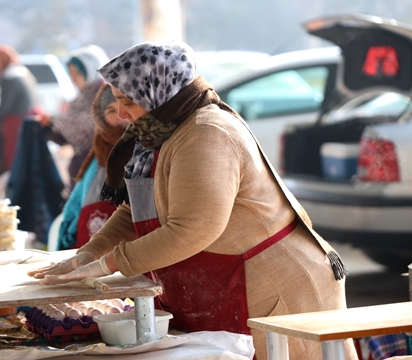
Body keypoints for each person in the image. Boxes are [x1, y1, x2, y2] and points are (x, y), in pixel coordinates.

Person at [29, 41, 358, 360]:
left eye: (128, 100)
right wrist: (87, 253)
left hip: (276, 289)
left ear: (156, 92)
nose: (123, 114)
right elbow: (135, 209)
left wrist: (109, 264)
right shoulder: (159, 131)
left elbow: (192, 229)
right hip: (226, 284)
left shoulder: (207, 132)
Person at [56, 84, 128, 250]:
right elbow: (76, 203)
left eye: (124, 107)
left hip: (127, 252)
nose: (120, 116)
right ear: (101, 117)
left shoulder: (144, 150)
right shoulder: (97, 155)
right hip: (88, 248)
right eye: (111, 111)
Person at [39, 45, 110, 187]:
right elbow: (69, 137)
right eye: (71, 74)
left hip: (98, 169)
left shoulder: (106, 95)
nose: (73, 79)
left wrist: (55, 121)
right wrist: (49, 127)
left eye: (77, 74)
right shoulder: (82, 97)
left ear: (90, 69)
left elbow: (91, 126)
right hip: (82, 167)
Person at [0, 45, 38, 175]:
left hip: (17, 123)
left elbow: (4, 107)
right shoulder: (22, 73)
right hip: (26, 119)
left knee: (12, 156)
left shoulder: (10, 79)